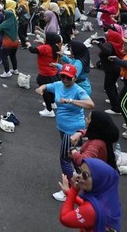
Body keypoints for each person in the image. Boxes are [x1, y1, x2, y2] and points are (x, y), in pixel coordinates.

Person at [35, 63, 95, 201]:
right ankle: (84, 181)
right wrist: (41, 88)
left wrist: (70, 101)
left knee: (65, 159)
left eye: (68, 78)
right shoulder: (58, 84)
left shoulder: (78, 90)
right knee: (75, 158)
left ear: (74, 78)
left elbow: (91, 104)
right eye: (62, 76)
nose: (65, 80)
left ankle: (68, 191)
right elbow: (47, 86)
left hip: (73, 131)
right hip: (63, 129)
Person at [57, 158, 121, 231]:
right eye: (79, 171)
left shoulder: (91, 210)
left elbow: (64, 218)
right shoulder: (108, 199)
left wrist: (74, 190)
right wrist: (68, 192)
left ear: (98, 180)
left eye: (85, 175)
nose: (79, 176)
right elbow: (86, 205)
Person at [27, 32, 62, 117]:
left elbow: (33, 50)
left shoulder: (45, 47)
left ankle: (49, 110)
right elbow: (46, 48)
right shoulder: (55, 47)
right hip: (53, 73)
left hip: (45, 74)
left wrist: (28, 45)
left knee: (45, 91)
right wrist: (40, 42)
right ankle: (53, 103)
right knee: (52, 89)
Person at [0, 9, 20, 78]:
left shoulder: (6, 22)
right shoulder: (15, 22)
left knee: (4, 56)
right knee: (13, 56)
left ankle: (7, 72)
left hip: (8, 42)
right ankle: (15, 69)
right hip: (16, 41)